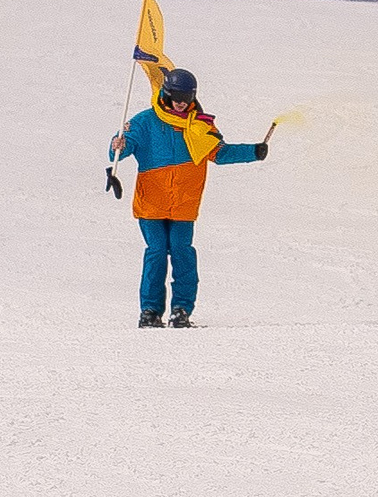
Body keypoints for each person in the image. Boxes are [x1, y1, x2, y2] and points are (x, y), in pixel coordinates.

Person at [110, 67, 267, 327]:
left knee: (182, 252)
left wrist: (253, 152)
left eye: (187, 97)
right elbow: (121, 148)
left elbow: (219, 154)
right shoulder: (145, 121)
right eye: (177, 97)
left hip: (184, 203)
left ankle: (181, 310)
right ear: (166, 93)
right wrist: (118, 145)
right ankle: (150, 311)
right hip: (152, 204)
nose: (181, 103)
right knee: (156, 252)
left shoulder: (200, 126)